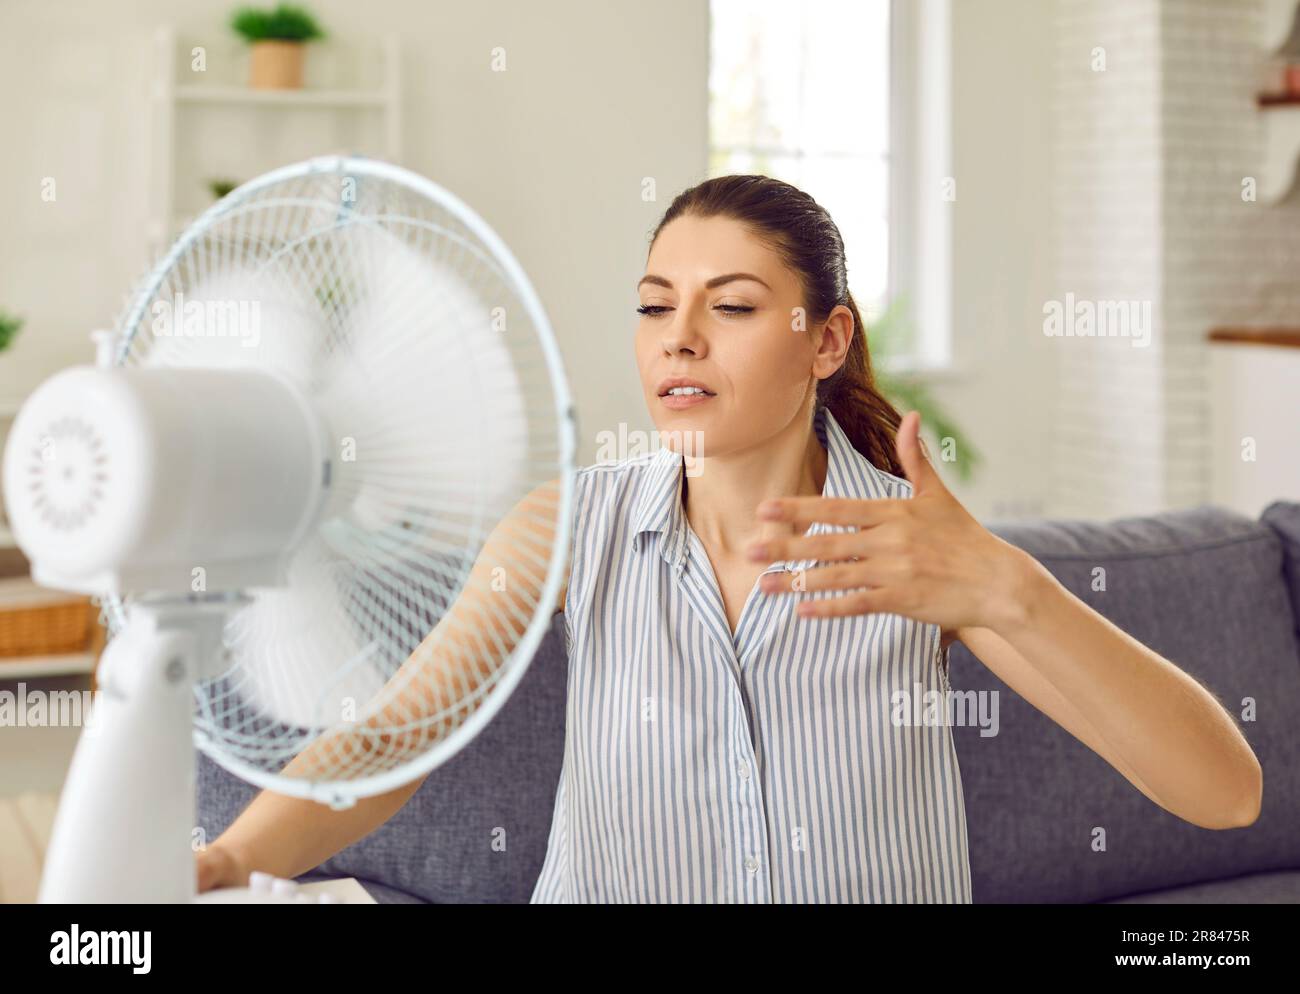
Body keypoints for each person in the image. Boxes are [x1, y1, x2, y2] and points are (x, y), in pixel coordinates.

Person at [198, 174, 1262, 903]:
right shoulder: (572, 530)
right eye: (656, 307)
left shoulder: (918, 551)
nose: (680, 339)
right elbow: (392, 740)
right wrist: (232, 858)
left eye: (733, 306)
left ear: (826, 339)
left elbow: (1225, 792)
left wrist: (1008, 588)